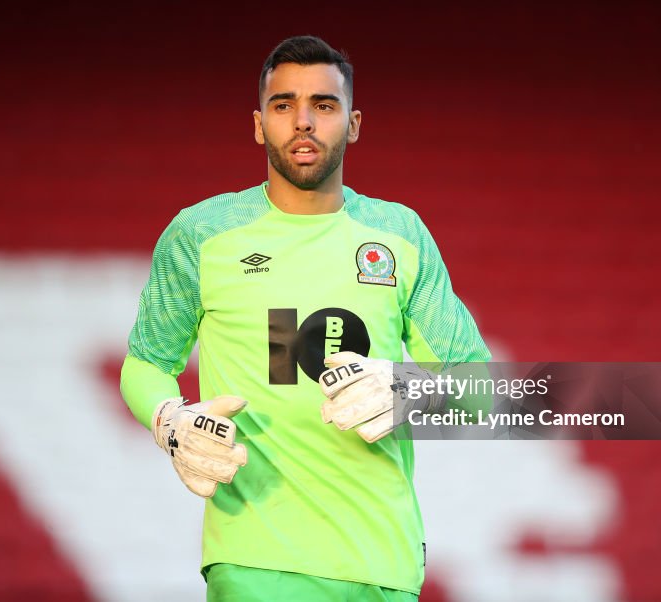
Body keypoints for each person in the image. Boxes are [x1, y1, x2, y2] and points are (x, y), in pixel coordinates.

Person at [120, 35, 490, 602]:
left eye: (323, 105)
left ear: (354, 122)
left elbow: (480, 387)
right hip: (254, 556)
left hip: (382, 560)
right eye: (283, 104)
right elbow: (146, 363)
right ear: (258, 123)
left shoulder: (401, 237)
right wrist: (169, 419)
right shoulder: (201, 235)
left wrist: (414, 388)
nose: (303, 122)